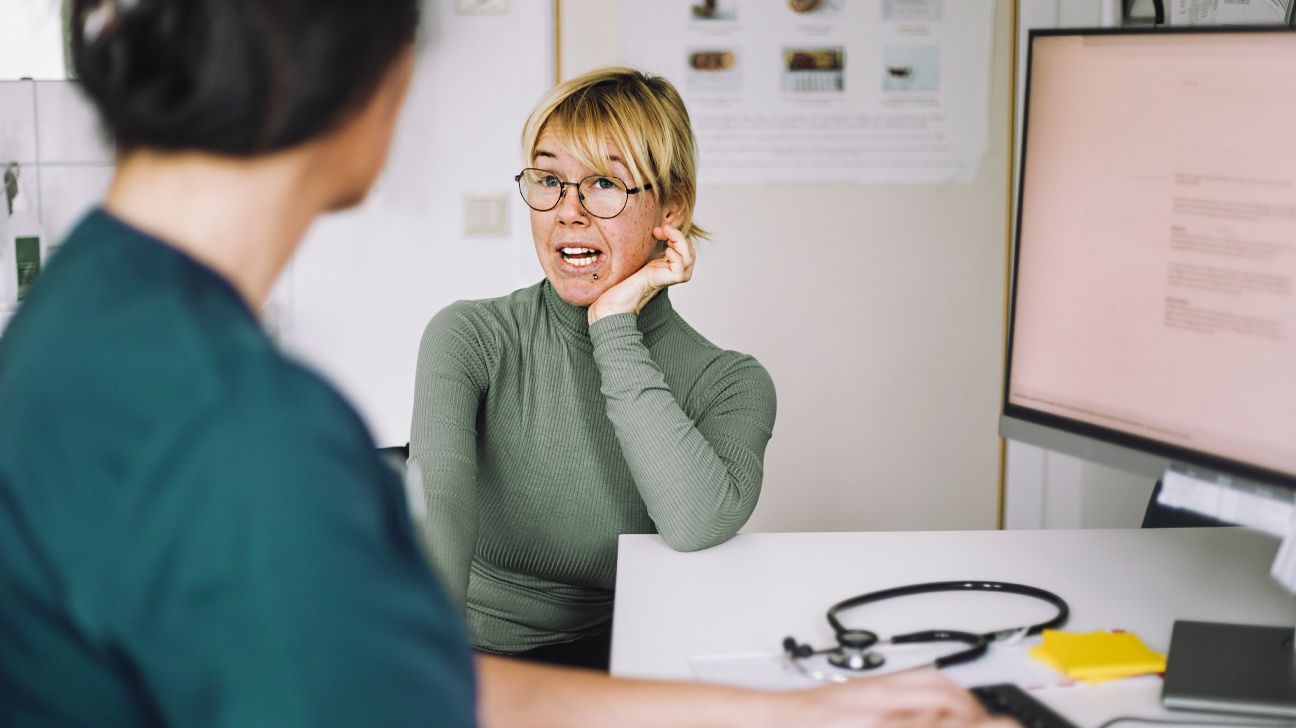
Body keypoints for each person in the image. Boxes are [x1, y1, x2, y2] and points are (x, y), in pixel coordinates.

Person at [0, 2, 1003, 726]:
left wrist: (794, 713)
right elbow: (419, 692)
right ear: (374, 82)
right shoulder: (247, 423)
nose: (568, 206)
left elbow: (407, 679)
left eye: (606, 183)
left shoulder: (77, 317)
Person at [411, 67, 775, 670]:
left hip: (629, 658)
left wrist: (613, 325)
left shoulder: (731, 384)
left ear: (673, 205)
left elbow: (697, 523)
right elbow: (439, 511)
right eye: (549, 179)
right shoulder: (469, 337)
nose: (569, 212)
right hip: (470, 649)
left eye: (604, 183)